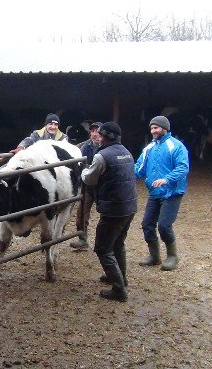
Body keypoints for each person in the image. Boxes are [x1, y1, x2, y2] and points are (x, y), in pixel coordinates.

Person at [81, 122, 137, 302]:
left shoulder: (101, 156)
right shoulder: (126, 152)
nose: (98, 137)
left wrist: (82, 171)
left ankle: (119, 290)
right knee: (118, 243)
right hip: (129, 207)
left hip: (113, 209)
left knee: (103, 248)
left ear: (106, 137)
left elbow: (90, 179)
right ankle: (120, 277)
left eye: (101, 134)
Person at [134, 115, 189, 271]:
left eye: (156, 128)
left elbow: (183, 167)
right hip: (154, 192)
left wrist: (166, 179)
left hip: (172, 192)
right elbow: (138, 168)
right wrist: (125, 176)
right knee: (147, 224)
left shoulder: (176, 146)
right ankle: (154, 256)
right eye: (151, 128)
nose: (153, 131)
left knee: (164, 226)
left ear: (165, 128)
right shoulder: (149, 148)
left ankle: (172, 256)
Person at [70, 121, 103, 251]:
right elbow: (79, 163)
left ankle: (103, 242)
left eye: (97, 131)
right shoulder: (85, 147)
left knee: (106, 214)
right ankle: (83, 239)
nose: (95, 134)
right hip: (88, 185)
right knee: (82, 213)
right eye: (93, 131)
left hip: (102, 186)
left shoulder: (107, 146)